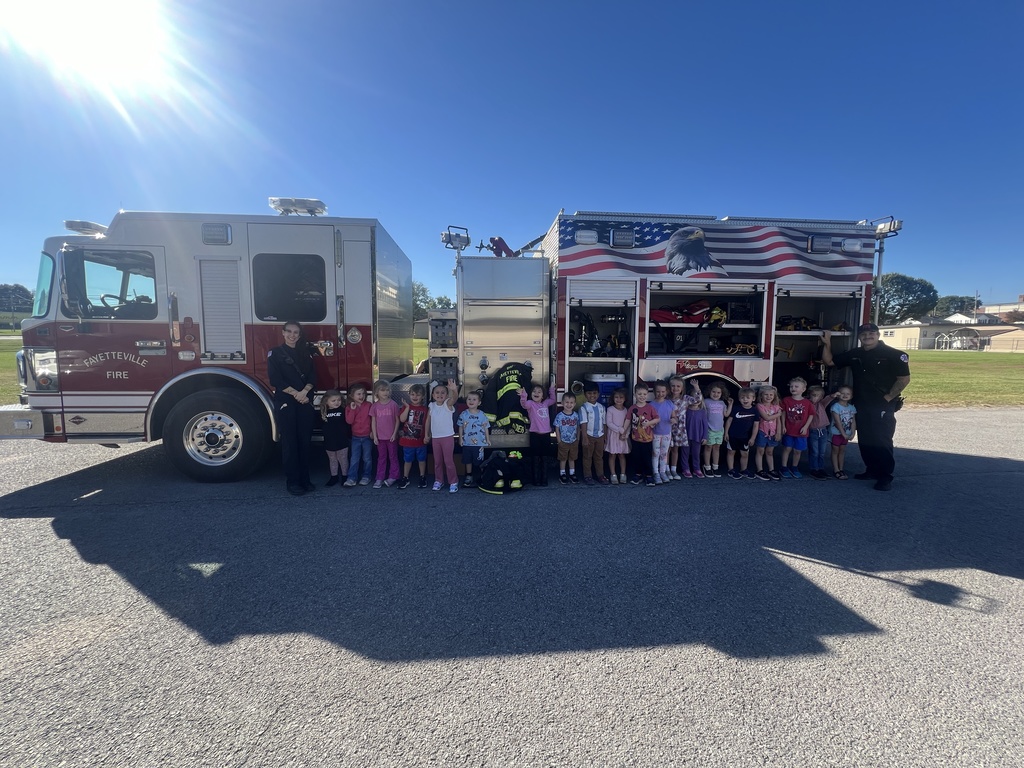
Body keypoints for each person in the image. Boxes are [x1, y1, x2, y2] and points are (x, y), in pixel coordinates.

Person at [822, 323, 911, 491]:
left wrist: (888, 398)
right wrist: (827, 343)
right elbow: (829, 361)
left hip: (882, 404)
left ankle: (885, 476)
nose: (867, 336)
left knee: (881, 439)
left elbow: (904, 379)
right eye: (864, 334)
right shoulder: (856, 354)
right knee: (866, 438)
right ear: (859, 336)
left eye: (871, 333)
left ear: (878, 335)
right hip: (861, 403)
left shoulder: (894, 354)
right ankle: (871, 470)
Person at [267, 320, 318, 496]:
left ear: (299, 334)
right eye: (289, 331)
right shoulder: (275, 353)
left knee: (304, 441)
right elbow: (275, 380)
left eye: (296, 332)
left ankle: (305, 479)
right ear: (282, 332)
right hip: (286, 401)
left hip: (304, 401)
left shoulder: (306, 353)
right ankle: (293, 482)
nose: (292, 335)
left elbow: (312, 376)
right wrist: (296, 394)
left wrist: (304, 392)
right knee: (290, 442)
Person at [518, 381, 557, 486]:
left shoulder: (545, 403)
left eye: (539, 392)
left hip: (546, 434)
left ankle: (544, 479)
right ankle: (536, 479)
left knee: (544, 457)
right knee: (535, 457)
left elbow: (553, 400)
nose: (536, 393)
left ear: (543, 395)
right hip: (534, 434)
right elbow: (524, 404)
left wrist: (552, 388)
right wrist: (523, 395)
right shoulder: (530, 404)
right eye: (534, 391)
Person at [425, 378, 459, 493]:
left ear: (446, 395)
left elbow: (454, 399)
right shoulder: (431, 406)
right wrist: (426, 434)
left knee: (448, 461)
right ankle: (439, 480)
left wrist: (454, 390)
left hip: (447, 437)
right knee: (437, 461)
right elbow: (428, 421)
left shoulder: (447, 404)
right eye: (437, 392)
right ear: (433, 395)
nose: (440, 394)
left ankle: (453, 481)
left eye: (443, 392)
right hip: (435, 438)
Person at [779, 377, 813, 479]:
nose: (793, 388)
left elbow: (811, 415)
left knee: (798, 450)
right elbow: (783, 413)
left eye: (796, 386)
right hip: (789, 429)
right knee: (787, 448)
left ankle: (794, 467)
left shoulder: (807, 402)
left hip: (801, 431)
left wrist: (806, 427)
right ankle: (784, 467)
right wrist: (783, 425)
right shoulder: (786, 400)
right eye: (791, 386)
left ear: (803, 389)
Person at [370, 379, 401, 488]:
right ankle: (379, 478)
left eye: (387, 390)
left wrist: (394, 434)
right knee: (381, 457)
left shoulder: (393, 405)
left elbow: (397, 420)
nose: (385, 392)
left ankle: (393, 476)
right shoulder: (375, 406)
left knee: (393, 457)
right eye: (382, 390)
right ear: (377, 392)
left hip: (391, 437)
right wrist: (374, 435)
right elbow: (373, 421)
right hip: (380, 437)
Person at [457, 390, 490, 488]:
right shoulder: (464, 414)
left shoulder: (482, 415)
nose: (471, 401)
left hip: (479, 443)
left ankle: (479, 476)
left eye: (474, 399)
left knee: (479, 460)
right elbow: (460, 426)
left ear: (479, 402)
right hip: (467, 442)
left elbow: (486, 427)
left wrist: (487, 439)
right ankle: (469, 476)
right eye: (469, 399)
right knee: (468, 460)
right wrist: (460, 439)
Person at [398, 383, 429, 489]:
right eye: (412, 394)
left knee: (422, 460)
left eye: (418, 395)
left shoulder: (426, 410)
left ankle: (422, 476)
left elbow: (427, 424)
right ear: (409, 395)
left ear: (423, 396)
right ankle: (405, 477)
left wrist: (427, 436)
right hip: (407, 441)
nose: (415, 397)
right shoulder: (406, 407)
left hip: (421, 440)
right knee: (407, 460)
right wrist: (407, 407)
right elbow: (402, 419)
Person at [627, 383, 658, 486]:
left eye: (644, 394)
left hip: (647, 439)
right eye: (639, 394)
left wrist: (649, 423)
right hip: (635, 438)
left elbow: (657, 418)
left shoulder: (650, 408)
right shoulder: (632, 408)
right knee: (636, 458)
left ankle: (649, 476)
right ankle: (638, 475)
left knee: (647, 458)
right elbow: (628, 419)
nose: (642, 396)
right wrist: (623, 431)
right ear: (635, 394)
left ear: (647, 395)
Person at [724, 387, 758, 479]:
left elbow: (756, 425)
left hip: (745, 437)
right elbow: (729, 421)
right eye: (742, 397)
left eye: (748, 397)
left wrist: (753, 438)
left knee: (745, 454)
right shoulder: (735, 408)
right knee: (731, 452)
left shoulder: (755, 410)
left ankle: (744, 470)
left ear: (753, 398)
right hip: (733, 435)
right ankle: (731, 470)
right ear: (739, 399)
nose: (745, 399)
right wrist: (726, 433)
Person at [343, 383, 373, 486]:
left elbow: (373, 419)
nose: (361, 396)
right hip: (355, 437)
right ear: (352, 396)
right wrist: (352, 409)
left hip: (367, 437)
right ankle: (352, 478)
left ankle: (366, 476)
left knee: (367, 458)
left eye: (363, 394)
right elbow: (349, 421)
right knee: (354, 458)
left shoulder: (369, 405)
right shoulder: (349, 407)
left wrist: (373, 431)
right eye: (358, 394)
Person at [579, 384, 609, 484]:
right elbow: (583, 423)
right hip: (589, 436)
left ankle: (600, 475)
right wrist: (584, 438)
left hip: (600, 436)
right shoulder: (584, 408)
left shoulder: (602, 407)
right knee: (587, 457)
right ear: (585, 394)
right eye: (589, 393)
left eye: (595, 393)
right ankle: (587, 476)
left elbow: (604, 423)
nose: (592, 395)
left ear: (598, 394)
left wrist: (605, 436)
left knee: (599, 457)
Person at [320, 389, 350, 487]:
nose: (337, 402)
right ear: (326, 402)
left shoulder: (343, 410)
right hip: (329, 441)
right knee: (332, 459)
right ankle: (334, 477)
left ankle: (345, 476)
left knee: (343, 459)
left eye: (339, 400)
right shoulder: (324, 412)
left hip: (342, 440)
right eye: (333, 401)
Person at [754, 385, 783, 481]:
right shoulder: (759, 406)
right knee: (760, 451)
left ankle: (771, 470)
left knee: (770, 452)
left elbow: (778, 421)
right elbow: (766, 417)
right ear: (761, 396)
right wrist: (778, 414)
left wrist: (778, 432)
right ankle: (760, 470)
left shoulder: (776, 407)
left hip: (773, 432)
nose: (768, 396)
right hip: (762, 431)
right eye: (766, 394)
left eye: (771, 395)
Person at [553, 392, 582, 484]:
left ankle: (572, 473)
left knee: (572, 458)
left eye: (571, 402)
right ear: (562, 403)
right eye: (567, 402)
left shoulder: (576, 415)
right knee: (563, 458)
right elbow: (557, 429)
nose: (569, 405)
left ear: (575, 404)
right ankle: (562, 474)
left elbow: (578, 428)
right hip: (563, 441)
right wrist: (559, 441)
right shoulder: (559, 416)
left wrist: (578, 439)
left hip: (573, 441)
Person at [805, 385, 833, 480]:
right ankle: (814, 469)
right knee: (814, 451)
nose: (815, 397)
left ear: (821, 397)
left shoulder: (821, 404)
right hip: (813, 430)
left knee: (822, 452)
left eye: (818, 396)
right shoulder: (807, 404)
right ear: (809, 395)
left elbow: (828, 399)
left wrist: (834, 395)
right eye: (813, 395)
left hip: (823, 430)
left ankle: (821, 468)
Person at [829, 385, 857, 479]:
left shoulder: (851, 408)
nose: (845, 395)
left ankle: (841, 469)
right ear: (838, 394)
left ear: (851, 396)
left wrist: (853, 432)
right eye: (842, 393)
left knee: (842, 451)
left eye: (848, 394)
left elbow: (853, 421)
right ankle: (836, 470)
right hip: (836, 433)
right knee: (835, 451)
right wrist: (843, 433)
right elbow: (837, 422)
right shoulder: (835, 407)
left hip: (846, 434)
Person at [702, 383, 729, 478]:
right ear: (709, 392)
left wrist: (731, 404)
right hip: (709, 429)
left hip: (719, 429)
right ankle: (707, 466)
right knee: (708, 447)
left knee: (717, 448)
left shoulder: (722, 403)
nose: (716, 394)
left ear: (722, 394)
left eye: (718, 392)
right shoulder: (706, 402)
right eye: (713, 392)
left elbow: (726, 415)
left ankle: (715, 467)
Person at [650, 381, 675, 484]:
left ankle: (663, 472)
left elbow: (674, 416)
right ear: (654, 392)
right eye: (658, 391)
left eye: (663, 391)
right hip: (655, 433)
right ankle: (655, 472)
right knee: (655, 453)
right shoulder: (651, 405)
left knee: (664, 454)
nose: (660, 394)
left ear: (666, 391)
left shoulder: (669, 403)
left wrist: (674, 419)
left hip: (666, 433)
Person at [605, 388, 630, 484]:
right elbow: (609, 423)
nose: (618, 399)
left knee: (621, 455)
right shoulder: (610, 409)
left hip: (622, 436)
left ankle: (623, 474)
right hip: (613, 435)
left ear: (625, 399)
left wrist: (626, 434)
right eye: (616, 397)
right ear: (613, 398)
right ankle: (613, 474)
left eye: (621, 397)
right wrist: (620, 430)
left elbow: (628, 423)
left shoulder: (626, 410)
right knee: (612, 455)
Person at [684, 380, 708, 478]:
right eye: (692, 397)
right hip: (685, 436)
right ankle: (685, 468)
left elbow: (705, 425)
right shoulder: (685, 410)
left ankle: (696, 469)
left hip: (697, 436)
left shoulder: (702, 412)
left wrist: (705, 437)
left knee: (696, 454)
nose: (695, 400)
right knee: (685, 453)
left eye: (697, 397)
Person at [667, 376, 689, 480]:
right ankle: (665, 469)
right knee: (667, 449)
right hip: (667, 427)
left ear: (682, 388)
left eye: (678, 386)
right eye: (673, 386)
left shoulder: (685, 399)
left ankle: (673, 470)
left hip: (679, 429)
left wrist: (697, 388)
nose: (675, 388)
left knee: (675, 449)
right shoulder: (666, 399)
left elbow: (698, 399)